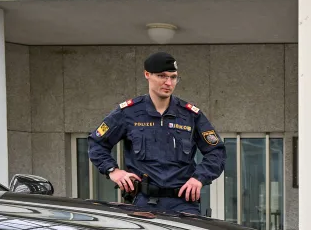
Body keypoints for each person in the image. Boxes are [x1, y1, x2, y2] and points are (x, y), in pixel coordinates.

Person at [87, 51, 226, 216]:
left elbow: (216, 151)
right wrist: (113, 171)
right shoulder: (128, 112)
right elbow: (97, 143)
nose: (168, 82)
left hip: (183, 204)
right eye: (162, 76)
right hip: (142, 203)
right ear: (147, 74)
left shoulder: (190, 115)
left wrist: (199, 178)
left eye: (173, 77)